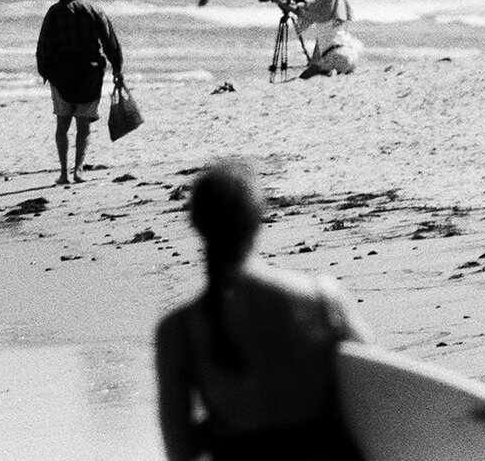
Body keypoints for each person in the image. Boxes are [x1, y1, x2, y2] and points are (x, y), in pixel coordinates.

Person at [156, 160, 370, 461]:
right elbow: (378, 403)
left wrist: (221, 425)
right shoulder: (322, 299)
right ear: (260, 218)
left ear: (196, 226)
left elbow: (180, 450)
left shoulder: (178, 331)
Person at [35, 0, 124, 186]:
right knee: (84, 127)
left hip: (61, 73)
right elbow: (110, 41)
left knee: (62, 125)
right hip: (90, 74)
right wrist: (117, 68)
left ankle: (64, 173)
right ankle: (79, 171)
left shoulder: (54, 12)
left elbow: (44, 45)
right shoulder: (95, 10)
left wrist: (45, 72)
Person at [292, 0, 362, 79]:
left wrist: (281, 2)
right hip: (351, 57)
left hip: (336, 56)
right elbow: (309, 8)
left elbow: (303, 13)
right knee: (323, 70)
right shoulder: (340, 16)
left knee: (305, 76)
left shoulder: (322, 16)